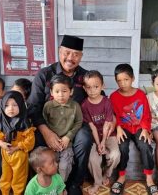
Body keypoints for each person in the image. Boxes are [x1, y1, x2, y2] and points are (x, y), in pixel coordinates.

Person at [28, 35, 91, 194]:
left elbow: (98, 96)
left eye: (76, 54)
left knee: (85, 138)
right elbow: (33, 106)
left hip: (74, 125)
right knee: (33, 139)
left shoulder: (86, 77)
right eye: (67, 52)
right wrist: (46, 131)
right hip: (47, 124)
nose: (71, 58)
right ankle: (40, 183)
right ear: (59, 51)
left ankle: (74, 184)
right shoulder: (44, 74)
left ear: (81, 56)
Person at [109, 64, 158, 195]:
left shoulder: (140, 94)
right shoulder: (114, 97)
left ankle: (149, 178)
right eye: (119, 80)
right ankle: (121, 176)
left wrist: (145, 129)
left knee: (145, 145)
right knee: (122, 146)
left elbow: (146, 114)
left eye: (126, 79)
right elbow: (113, 115)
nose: (123, 83)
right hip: (123, 128)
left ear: (132, 78)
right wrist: (119, 128)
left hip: (139, 127)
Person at [81, 70, 120, 195]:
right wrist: (98, 144)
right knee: (92, 159)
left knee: (115, 155)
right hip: (93, 137)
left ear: (102, 86)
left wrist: (103, 141)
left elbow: (107, 124)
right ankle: (97, 182)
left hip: (108, 134)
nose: (92, 90)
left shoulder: (107, 102)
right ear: (84, 88)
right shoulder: (84, 105)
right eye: (89, 87)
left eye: (96, 87)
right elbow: (92, 127)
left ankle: (106, 174)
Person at [0, 91, 35, 195]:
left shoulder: (25, 122)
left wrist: (17, 147)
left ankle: (17, 193)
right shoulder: (2, 120)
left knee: (19, 177)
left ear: (21, 105)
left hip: (19, 154)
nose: (10, 108)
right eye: (6, 105)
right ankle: (5, 192)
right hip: (5, 153)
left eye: (15, 105)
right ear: (2, 106)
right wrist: (1, 143)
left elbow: (30, 141)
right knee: (5, 175)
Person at [43, 74, 83, 182]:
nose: (60, 95)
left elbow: (79, 122)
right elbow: (44, 122)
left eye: (64, 91)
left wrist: (68, 136)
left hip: (67, 145)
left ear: (71, 91)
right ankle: (50, 186)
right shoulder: (48, 106)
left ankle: (61, 186)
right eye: (57, 91)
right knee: (49, 165)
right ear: (51, 92)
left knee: (64, 166)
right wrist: (51, 138)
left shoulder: (75, 106)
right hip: (51, 145)